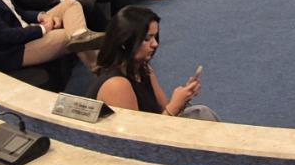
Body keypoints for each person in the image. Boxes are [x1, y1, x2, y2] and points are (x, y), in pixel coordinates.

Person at [83, 7, 216, 120]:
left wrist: (182, 99)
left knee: (201, 113)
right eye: (147, 39)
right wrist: (174, 106)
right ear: (125, 42)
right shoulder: (117, 85)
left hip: (152, 132)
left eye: (155, 36)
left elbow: (163, 110)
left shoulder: (143, 68)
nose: (155, 44)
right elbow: (136, 142)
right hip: (133, 145)